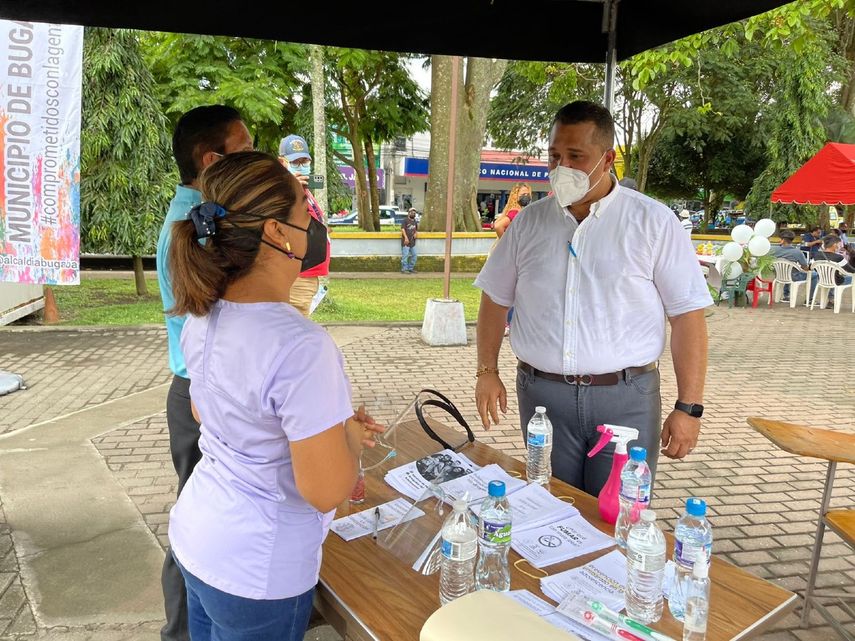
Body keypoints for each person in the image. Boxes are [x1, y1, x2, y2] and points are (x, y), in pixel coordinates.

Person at [166, 151, 383, 641]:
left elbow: (204, 410)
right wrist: (348, 438)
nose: (314, 224)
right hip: (257, 570)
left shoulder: (202, 316)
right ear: (276, 232)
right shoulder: (301, 347)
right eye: (305, 211)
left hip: (198, 538)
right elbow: (324, 490)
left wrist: (321, 427)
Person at [473, 100, 712, 496]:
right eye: (554, 156)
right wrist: (487, 370)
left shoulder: (653, 222)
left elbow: (687, 316)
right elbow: (494, 299)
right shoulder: (528, 223)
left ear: (608, 158)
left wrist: (689, 407)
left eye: (576, 156)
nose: (561, 167)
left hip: (626, 398)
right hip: (543, 397)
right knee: (551, 507)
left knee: (618, 513)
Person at [155, 104, 253, 641]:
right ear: (212, 161)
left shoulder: (203, 216)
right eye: (246, 149)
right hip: (200, 393)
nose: (256, 158)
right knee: (198, 523)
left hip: (206, 388)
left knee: (212, 516)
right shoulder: (195, 228)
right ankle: (181, 631)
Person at [278, 134, 331, 317]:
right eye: (295, 162)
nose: (301, 167)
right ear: (282, 162)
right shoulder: (282, 191)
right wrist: (290, 187)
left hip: (308, 275)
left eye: (304, 161)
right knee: (293, 330)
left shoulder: (304, 189)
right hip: (297, 277)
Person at [770, 230, 812, 302]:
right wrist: (811, 267)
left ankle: (786, 295)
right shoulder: (797, 252)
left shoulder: (773, 249)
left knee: (788, 271)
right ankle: (810, 299)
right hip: (793, 277)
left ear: (783, 240)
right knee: (814, 275)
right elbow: (805, 268)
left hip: (778, 275)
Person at [401, 207, 419, 273]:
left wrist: (415, 234)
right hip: (406, 242)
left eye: (414, 213)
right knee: (405, 256)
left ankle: (410, 268)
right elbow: (403, 229)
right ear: (409, 213)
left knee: (414, 255)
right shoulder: (405, 220)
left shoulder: (415, 221)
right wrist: (406, 237)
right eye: (412, 212)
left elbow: (416, 229)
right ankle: (404, 269)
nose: (413, 214)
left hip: (412, 242)